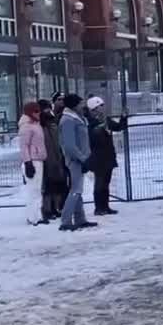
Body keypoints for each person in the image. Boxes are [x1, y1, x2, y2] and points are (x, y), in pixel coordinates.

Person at [57, 93, 95, 231]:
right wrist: (83, 158)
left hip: (81, 158)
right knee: (75, 190)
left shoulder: (78, 118)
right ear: (74, 105)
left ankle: (80, 219)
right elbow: (69, 145)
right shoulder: (68, 120)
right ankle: (65, 221)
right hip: (75, 160)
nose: (82, 106)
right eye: (80, 103)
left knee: (78, 189)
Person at [84, 96, 126, 216]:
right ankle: (99, 207)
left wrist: (123, 118)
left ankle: (105, 206)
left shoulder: (105, 120)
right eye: (99, 107)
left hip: (107, 154)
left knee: (106, 182)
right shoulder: (89, 122)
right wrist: (99, 130)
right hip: (97, 156)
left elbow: (118, 127)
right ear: (93, 109)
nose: (102, 109)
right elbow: (91, 138)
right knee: (100, 182)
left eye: (102, 106)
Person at [18, 101, 49, 225]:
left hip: (38, 159)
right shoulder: (26, 126)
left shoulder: (36, 124)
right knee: (33, 190)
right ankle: (32, 217)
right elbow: (23, 146)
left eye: (39, 110)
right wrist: (27, 162)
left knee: (37, 190)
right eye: (35, 111)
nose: (38, 113)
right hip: (32, 161)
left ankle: (37, 215)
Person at [39, 98, 68, 222]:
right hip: (47, 158)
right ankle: (47, 209)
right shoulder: (42, 124)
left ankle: (55, 207)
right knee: (48, 185)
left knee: (57, 183)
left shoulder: (52, 121)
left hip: (56, 156)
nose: (48, 110)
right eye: (45, 108)